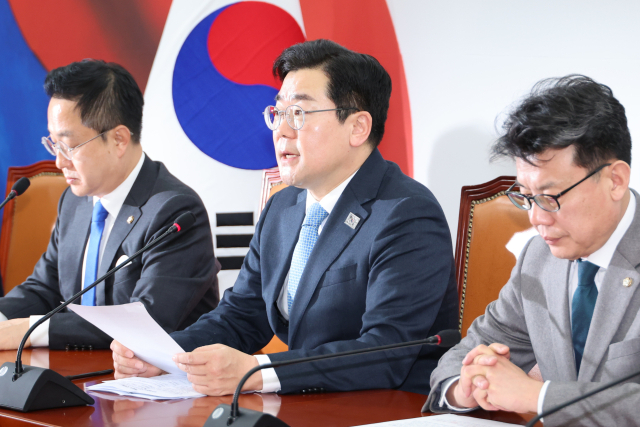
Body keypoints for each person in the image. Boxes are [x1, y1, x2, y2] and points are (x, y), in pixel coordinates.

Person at [112, 39, 458, 396]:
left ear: (358, 127)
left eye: (299, 114)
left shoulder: (406, 214)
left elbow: (385, 352)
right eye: (278, 113)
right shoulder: (283, 207)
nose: (281, 130)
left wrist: (258, 372)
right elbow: (242, 315)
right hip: (306, 403)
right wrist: (165, 354)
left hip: (386, 407)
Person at [425, 75, 638, 426]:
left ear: (615, 180)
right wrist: (466, 386)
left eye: (550, 197)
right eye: (525, 196)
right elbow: (467, 354)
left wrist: (535, 396)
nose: (536, 218)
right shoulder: (537, 258)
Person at [0, 60, 220, 351]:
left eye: (68, 146)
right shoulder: (74, 202)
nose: (59, 161)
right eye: (53, 144)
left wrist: (29, 331)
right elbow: (44, 288)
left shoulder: (175, 212)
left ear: (119, 140)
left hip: (156, 376)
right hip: (76, 370)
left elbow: (145, 320)